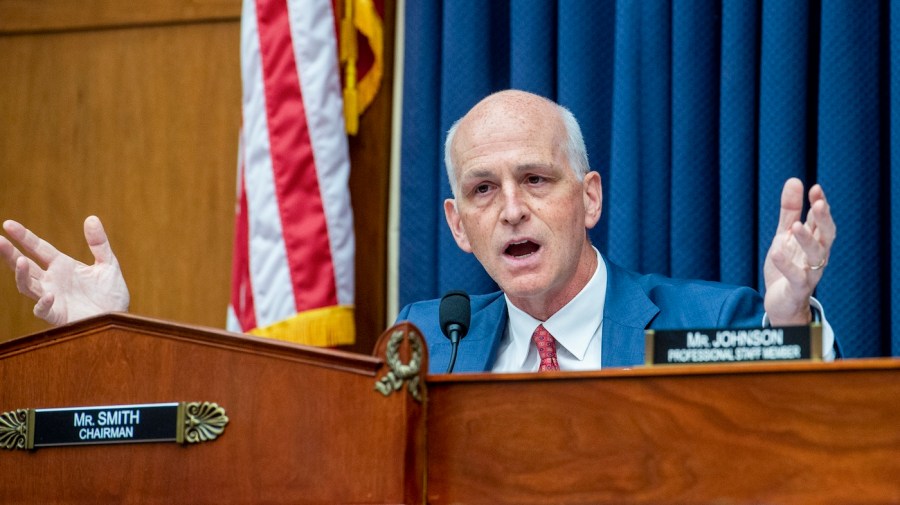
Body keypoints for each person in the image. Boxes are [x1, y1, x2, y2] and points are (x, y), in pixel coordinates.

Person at [1, 90, 837, 373]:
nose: (510, 207)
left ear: (589, 199)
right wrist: (119, 333)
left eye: (535, 180)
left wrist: (790, 318)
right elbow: (285, 416)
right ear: (458, 225)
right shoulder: (426, 341)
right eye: (483, 189)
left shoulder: (710, 320)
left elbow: (790, 432)